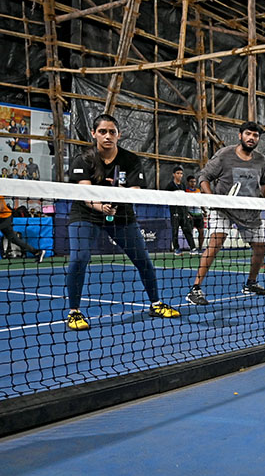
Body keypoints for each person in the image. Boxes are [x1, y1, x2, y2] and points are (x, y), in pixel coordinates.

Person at [65, 113, 180, 331]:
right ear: (94, 134)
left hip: (122, 215)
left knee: (143, 260)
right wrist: (101, 206)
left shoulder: (130, 160)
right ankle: (74, 312)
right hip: (87, 214)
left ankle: (156, 303)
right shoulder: (84, 159)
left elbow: (135, 190)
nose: (107, 136)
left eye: (112, 132)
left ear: (119, 135)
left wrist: (118, 195)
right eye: (102, 131)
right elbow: (84, 192)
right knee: (79, 258)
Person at [186, 121, 265, 305]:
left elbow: (263, 183)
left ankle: (251, 283)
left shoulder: (261, 160)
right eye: (248, 134)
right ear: (240, 136)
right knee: (215, 242)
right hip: (223, 208)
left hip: (249, 211)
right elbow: (204, 177)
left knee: (260, 248)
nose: (251, 138)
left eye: (255, 135)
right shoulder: (225, 155)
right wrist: (211, 199)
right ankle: (195, 289)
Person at [165, 166, 199, 256]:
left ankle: (193, 248)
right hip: (174, 212)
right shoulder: (170, 186)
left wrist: (187, 212)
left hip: (183, 212)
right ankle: (176, 248)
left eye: (181, 173)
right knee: (175, 231)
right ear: (174, 174)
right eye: (178, 173)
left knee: (187, 230)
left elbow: (185, 199)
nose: (180, 175)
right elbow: (167, 198)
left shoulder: (183, 185)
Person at [0, 195, 44, 262]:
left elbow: (1, 207)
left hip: (5, 218)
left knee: (13, 238)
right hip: (2, 218)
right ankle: (36, 252)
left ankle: (37, 252)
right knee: (13, 239)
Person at [184, 175, 206, 248]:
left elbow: (201, 202)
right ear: (188, 182)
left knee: (201, 232)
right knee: (190, 233)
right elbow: (184, 204)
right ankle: (192, 248)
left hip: (199, 214)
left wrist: (204, 211)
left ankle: (200, 248)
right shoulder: (186, 192)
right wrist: (187, 213)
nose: (193, 183)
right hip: (190, 214)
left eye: (194, 182)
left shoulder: (198, 191)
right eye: (191, 182)